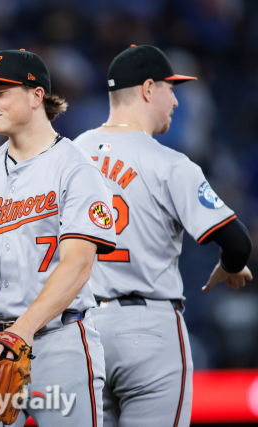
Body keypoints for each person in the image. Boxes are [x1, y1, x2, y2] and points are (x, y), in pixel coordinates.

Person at [0, 49, 116, 427]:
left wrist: (20, 334)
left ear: (36, 95)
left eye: (0, 93)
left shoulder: (76, 169)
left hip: (59, 343)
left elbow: (77, 265)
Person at [74, 44, 253, 427]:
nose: (175, 100)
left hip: (79, 333)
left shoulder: (67, 156)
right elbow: (238, 243)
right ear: (148, 89)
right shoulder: (170, 164)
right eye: (171, 89)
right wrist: (230, 266)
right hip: (148, 329)